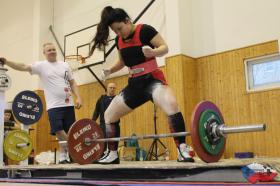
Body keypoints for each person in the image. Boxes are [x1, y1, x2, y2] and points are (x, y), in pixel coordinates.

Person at [89, 6, 194, 164]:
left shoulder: (145, 30)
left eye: (120, 28)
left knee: (171, 105)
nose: (119, 33)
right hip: (134, 85)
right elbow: (123, 62)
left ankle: (182, 149)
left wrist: (154, 53)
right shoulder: (119, 41)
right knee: (109, 115)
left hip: (152, 80)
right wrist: (110, 70)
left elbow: (164, 47)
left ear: (127, 21)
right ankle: (112, 154)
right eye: (115, 31)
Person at [0, 42, 82, 164]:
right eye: (49, 50)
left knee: (69, 131)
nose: (52, 51)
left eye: (53, 49)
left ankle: (64, 156)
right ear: (44, 53)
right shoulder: (41, 66)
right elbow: (23, 66)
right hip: (54, 106)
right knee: (58, 130)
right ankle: (74, 151)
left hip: (68, 104)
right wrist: (7, 62)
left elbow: (72, 83)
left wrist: (79, 97)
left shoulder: (65, 65)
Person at [92, 82, 120, 157]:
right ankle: (101, 156)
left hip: (114, 124)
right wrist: (92, 121)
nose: (112, 89)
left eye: (114, 88)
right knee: (102, 142)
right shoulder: (101, 99)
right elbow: (96, 111)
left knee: (114, 142)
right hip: (103, 124)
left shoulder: (117, 99)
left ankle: (114, 156)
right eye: (110, 87)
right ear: (107, 89)